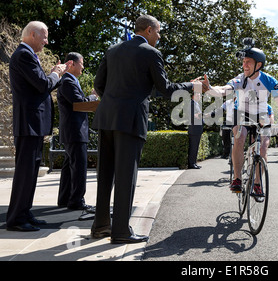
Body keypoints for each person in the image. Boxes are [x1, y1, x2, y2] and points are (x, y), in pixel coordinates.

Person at [90, 15, 203, 244]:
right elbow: (166, 88)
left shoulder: (112, 50)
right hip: (130, 120)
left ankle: (101, 225)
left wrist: (116, 101)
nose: (159, 36)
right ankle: (121, 231)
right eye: (159, 32)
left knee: (105, 175)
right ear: (149, 30)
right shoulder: (151, 53)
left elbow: (98, 84)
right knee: (125, 177)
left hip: (107, 118)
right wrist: (193, 85)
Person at [203, 38, 278, 192]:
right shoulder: (239, 79)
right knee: (239, 137)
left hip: (262, 114)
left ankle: (257, 182)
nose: (244, 65)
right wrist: (210, 88)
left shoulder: (269, 80)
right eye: (243, 62)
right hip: (241, 112)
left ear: (259, 65)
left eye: (248, 62)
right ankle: (237, 178)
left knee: (263, 147)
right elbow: (225, 90)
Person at [7, 21, 68, 231]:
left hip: (32, 124)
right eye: (44, 36)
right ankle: (16, 219)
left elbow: (40, 82)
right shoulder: (23, 54)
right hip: (28, 124)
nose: (47, 41)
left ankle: (24, 212)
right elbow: (42, 84)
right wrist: (57, 74)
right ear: (32, 34)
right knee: (25, 172)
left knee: (31, 171)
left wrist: (53, 74)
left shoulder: (27, 54)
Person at [57, 52, 98, 211]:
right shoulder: (68, 82)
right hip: (75, 132)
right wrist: (93, 98)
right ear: (71, 64)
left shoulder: (69, 81)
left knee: (69, 167)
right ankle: (76, 201)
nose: (83, 67)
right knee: (79, 167)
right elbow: (80, 104)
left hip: (72, 131)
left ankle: (65, 198)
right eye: (81, 63)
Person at [188, 92, 203, 169]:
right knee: (193, 147)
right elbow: (192, 116)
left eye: (200, 96)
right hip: (194, 129)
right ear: (193, 96)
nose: (199, 97)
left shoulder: (197, 104)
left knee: (196, 147)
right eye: (197, 95)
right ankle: (191, 164)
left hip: (197, 129)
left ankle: (194, 162)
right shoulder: (192, 104)